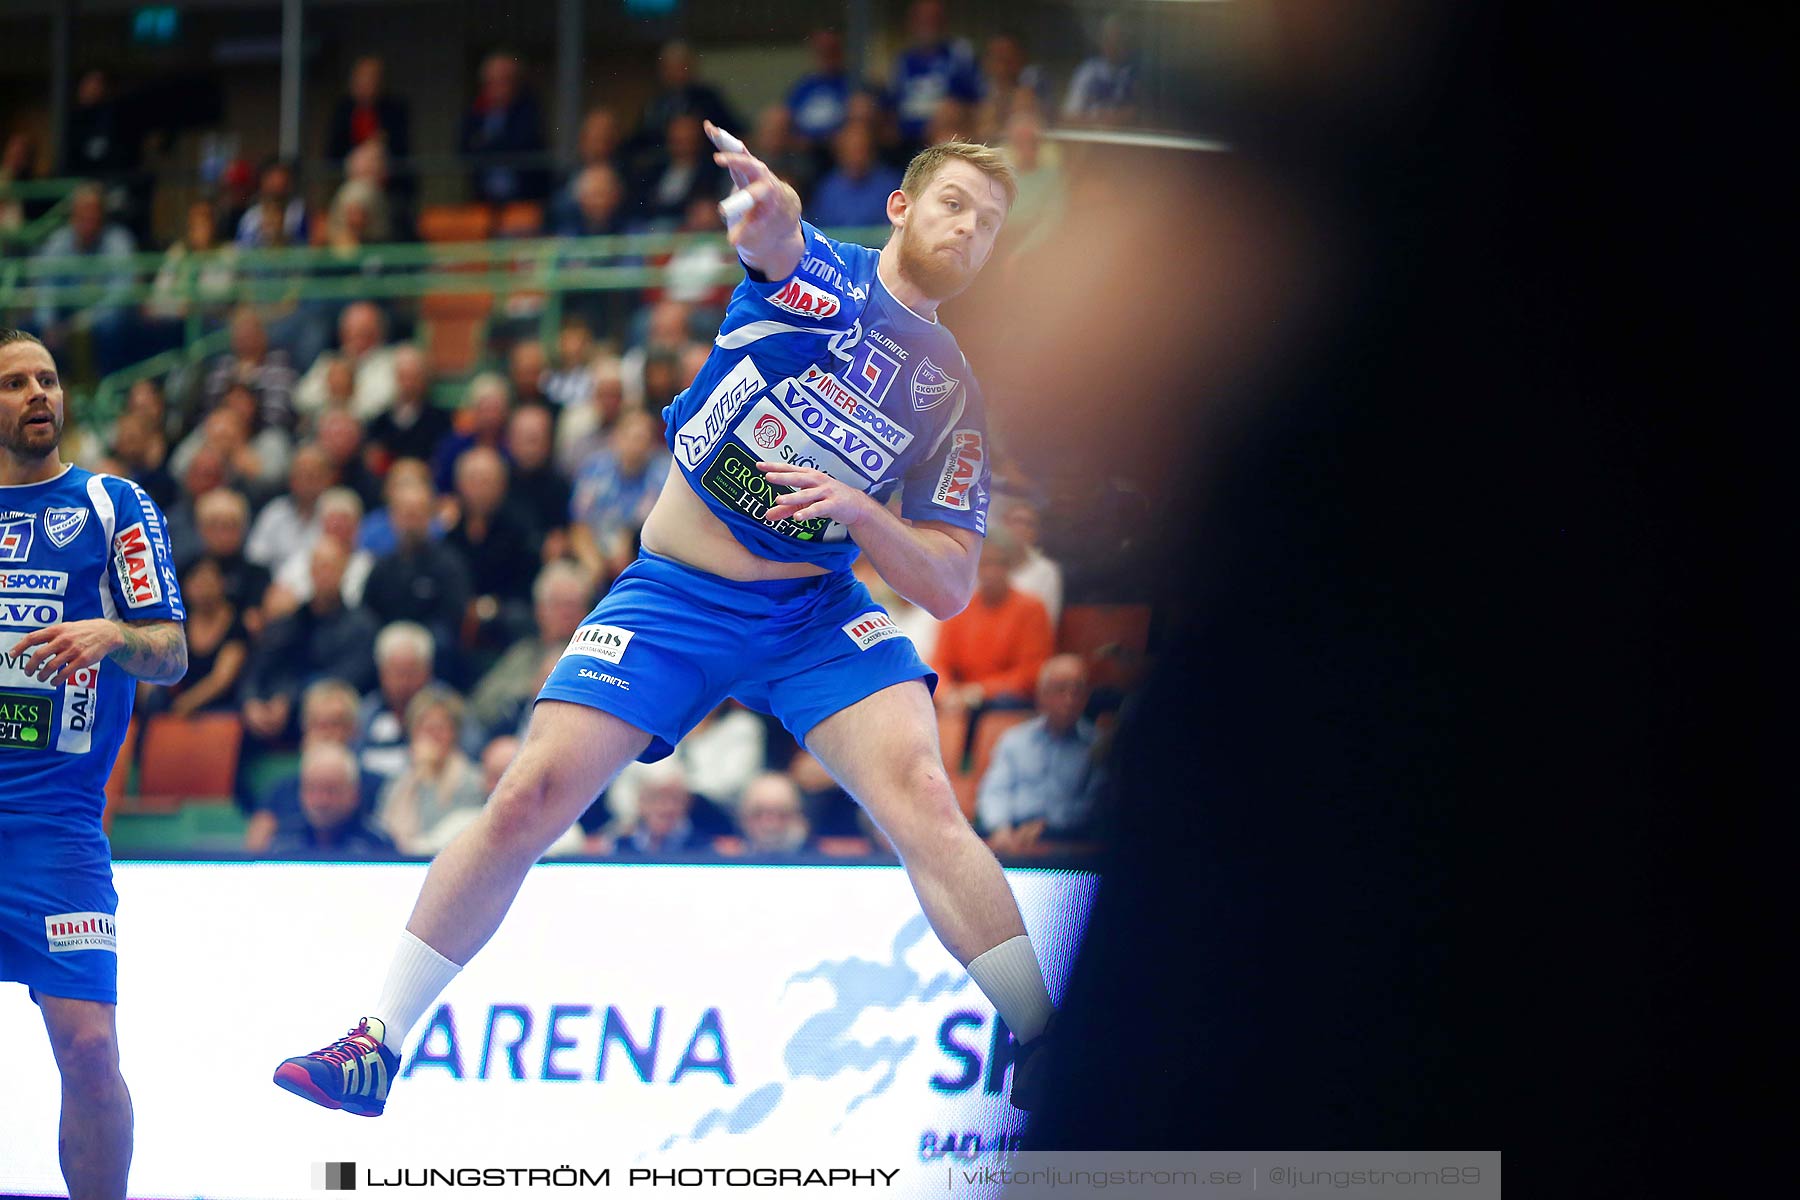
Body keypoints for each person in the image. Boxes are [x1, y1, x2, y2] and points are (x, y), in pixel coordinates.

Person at [273, 131, 1057, 1117]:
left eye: (988, 224)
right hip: (676, 595)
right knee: (526, 795)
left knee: (925, 799)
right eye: (953, 204)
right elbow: (776, 238)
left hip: (815, 612)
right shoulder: (824, 280)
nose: (969, 229)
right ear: (901, 207)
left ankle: (1044, 1038)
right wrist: (762, 208)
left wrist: (862, 514)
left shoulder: (955, 398)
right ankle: (374, 1043)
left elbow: (947, 581)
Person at [0, 329, 188, 1200]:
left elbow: (172, 652)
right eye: (14, 383)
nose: (38, 394)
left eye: (46, 379)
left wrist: (113, 634)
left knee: (88, 1044)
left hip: (55, 827)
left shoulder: (114, 505)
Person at [976, 655, 1106, 852]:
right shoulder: (1014, 740)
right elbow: (994, 791)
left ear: (1087, 697)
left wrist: (1048, 823)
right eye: (1060, 689)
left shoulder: (1099, 745)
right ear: (1042, 694)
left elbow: (1096, 805)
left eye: (1078, 690)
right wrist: (1000, 828)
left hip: (1070, 843)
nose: (1069, 699)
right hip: (1011, 836)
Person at [930, 527, 1055, 715]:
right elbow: (939, 662)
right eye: (985, 563)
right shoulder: (959, 607)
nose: (991, 571)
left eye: (999, 563)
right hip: (960, 702)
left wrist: (979, 692)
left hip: (1006, 704)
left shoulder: (1032, 608)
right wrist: (946, 693)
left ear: (1010, 566)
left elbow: (1032, 673)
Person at [268, 742, 397, 858]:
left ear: (354, 795)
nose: (321, 801)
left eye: (331, 791)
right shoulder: (283, 839)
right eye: (313, 789)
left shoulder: (376, 845)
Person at [737, 771, 813, 856]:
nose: (769, 824)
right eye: (759, 813)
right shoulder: (727, 861)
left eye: (781, 814)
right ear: (743, 818)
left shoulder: (821, 862)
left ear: (797, 818)